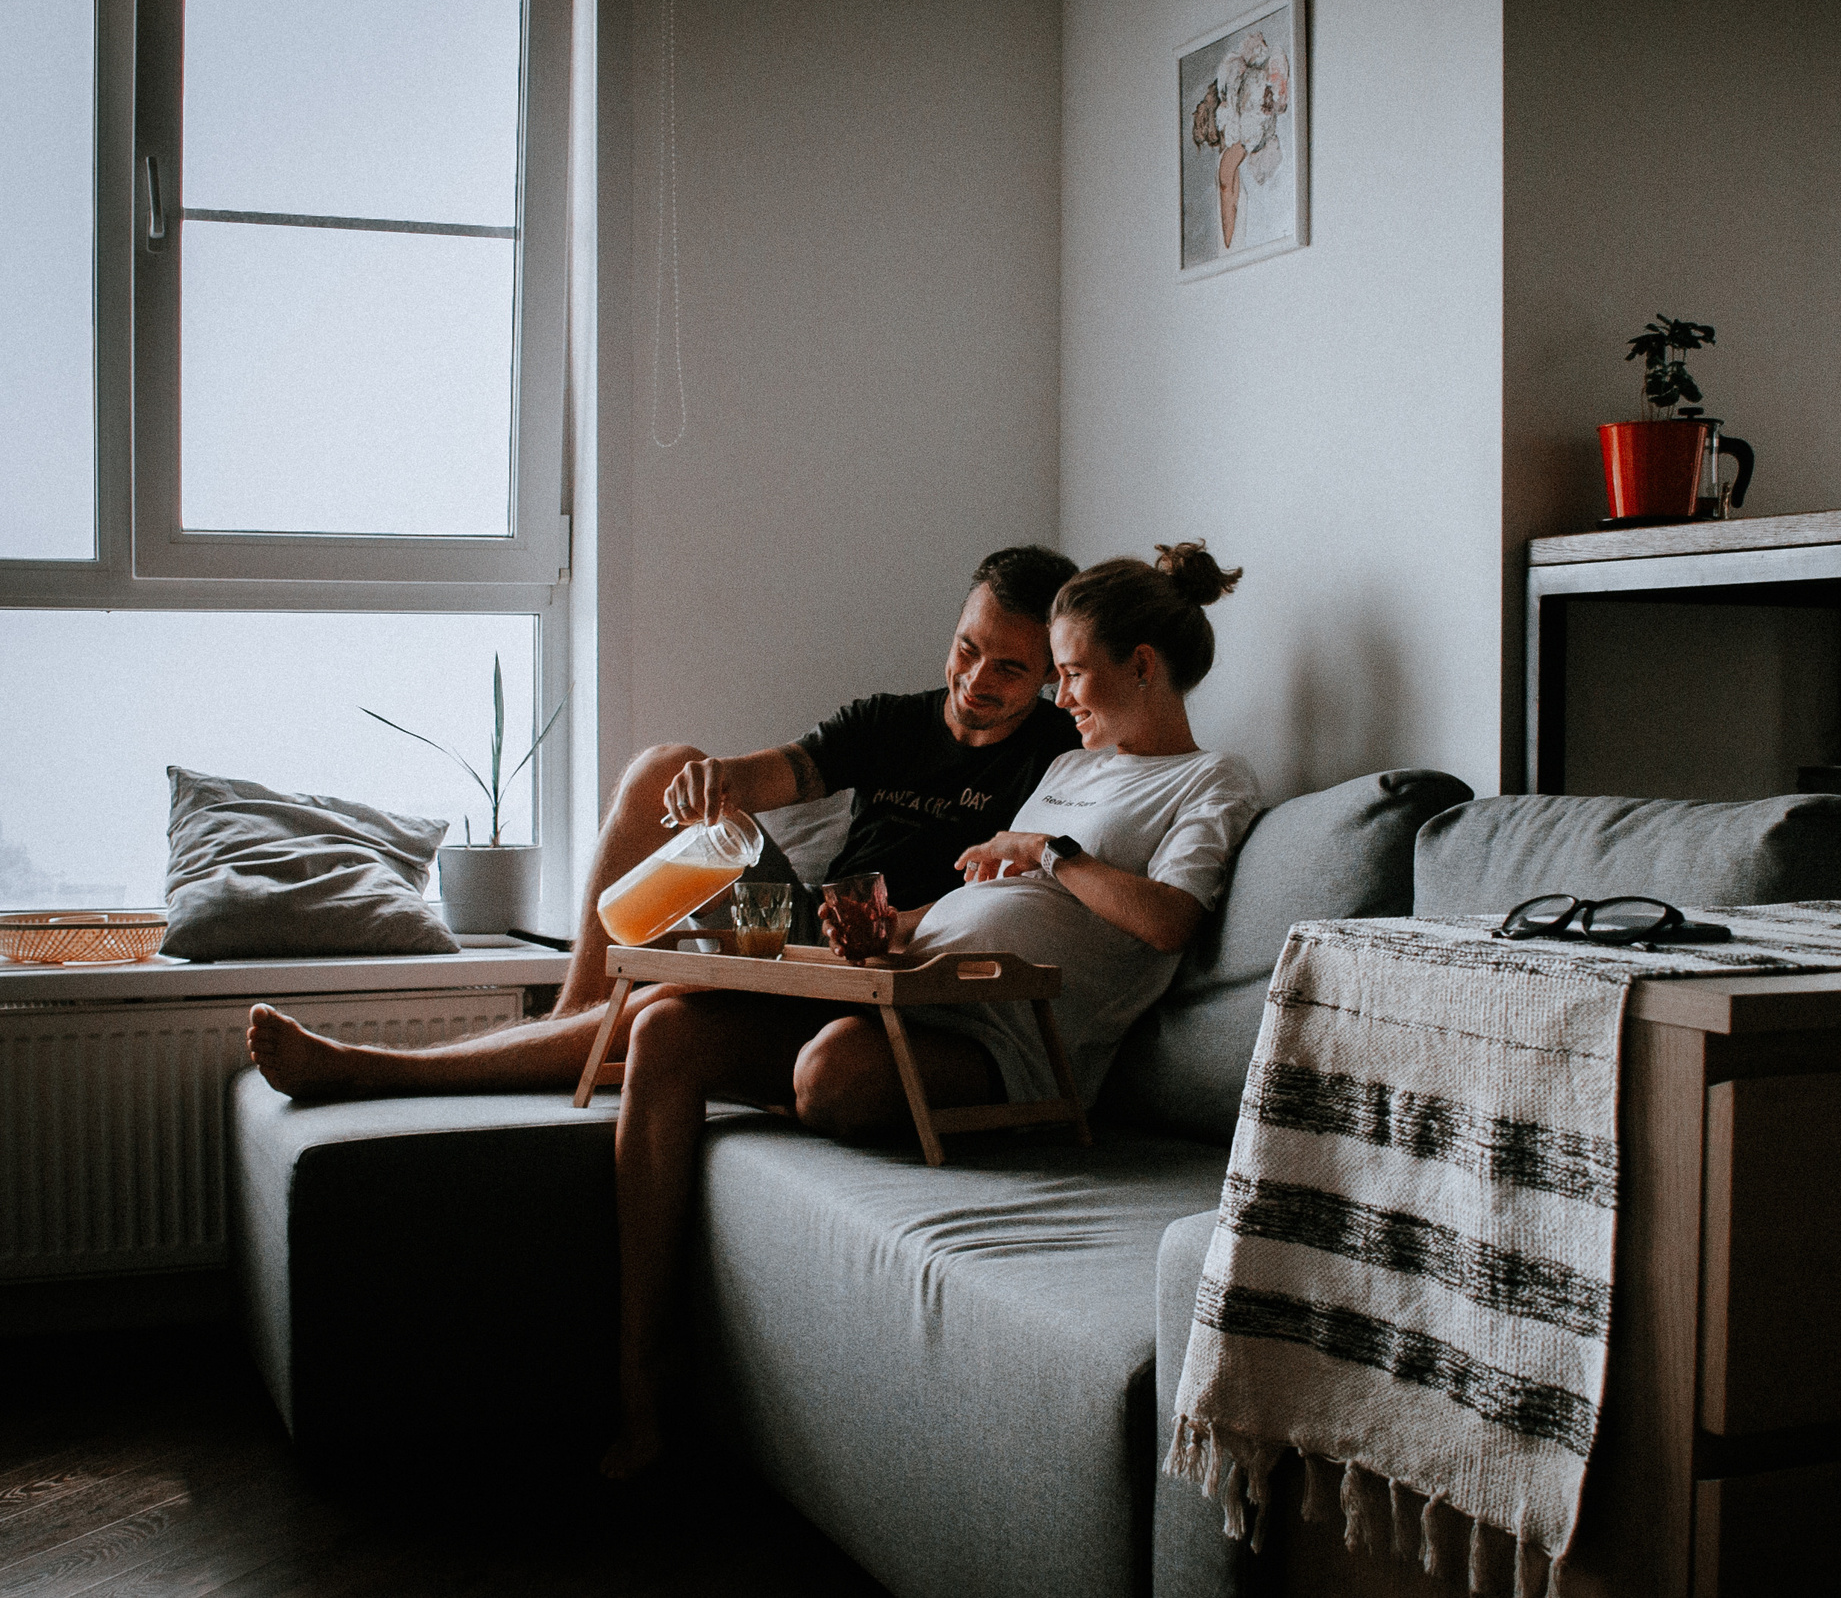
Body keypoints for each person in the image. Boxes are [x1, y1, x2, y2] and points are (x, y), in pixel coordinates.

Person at [602, 542, 1259, 1477]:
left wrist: (1050, 853)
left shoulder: (1209, 781)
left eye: (1070, 673)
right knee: (664, 1027)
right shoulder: (1071, 769)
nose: (1064, 697)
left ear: (1143, 667)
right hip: (911, 989)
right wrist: (884, 929)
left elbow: (1169, 921)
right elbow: (973, 898)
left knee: (830, 1073)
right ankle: (641, 1378)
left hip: (1014, 1046)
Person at [241, 544, 1085, 1102]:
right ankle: (576, 1007)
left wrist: (904, 926)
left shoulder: (1057, 756)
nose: (976, 679)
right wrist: (716, 782)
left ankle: (377, 1072)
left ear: (1051, 673)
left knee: (671, 999)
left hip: (891, 957)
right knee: (661, 765)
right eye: (967, 648)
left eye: (1009, 668)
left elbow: (1023, 889)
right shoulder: (892, 721)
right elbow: (774, 775)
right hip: (808, 924)